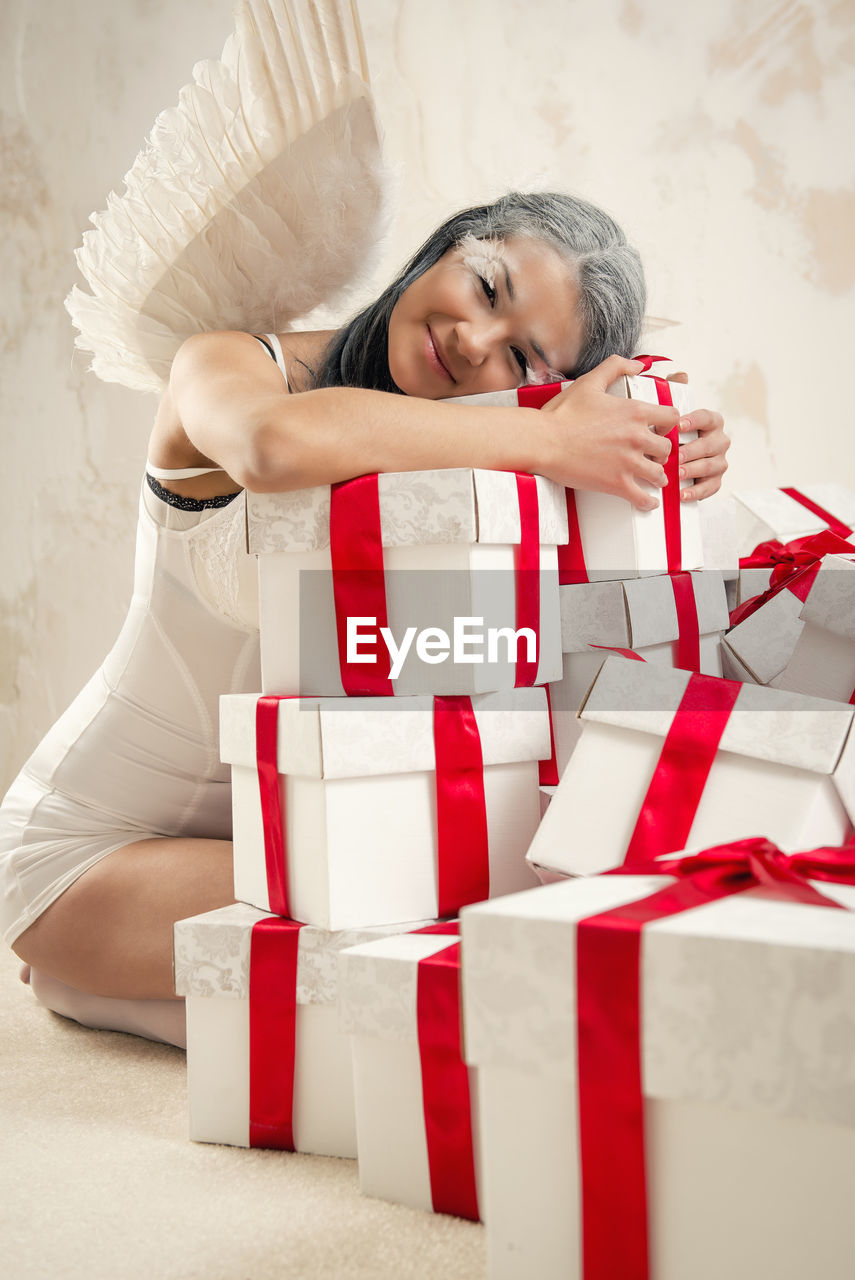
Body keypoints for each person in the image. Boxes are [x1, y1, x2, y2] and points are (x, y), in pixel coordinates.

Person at [1, 191, 728, 1048]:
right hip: (91, 854)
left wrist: (656, 445)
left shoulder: (474, 469)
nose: (471, 342)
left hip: (293, 834)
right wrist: (543, 437)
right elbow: (271, 446)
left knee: (513, 915)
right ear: (446, 247)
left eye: (523, 359)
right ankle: (86, 968)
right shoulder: (230, 364)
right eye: (487, 288)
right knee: (470, 912)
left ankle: (96, 988)